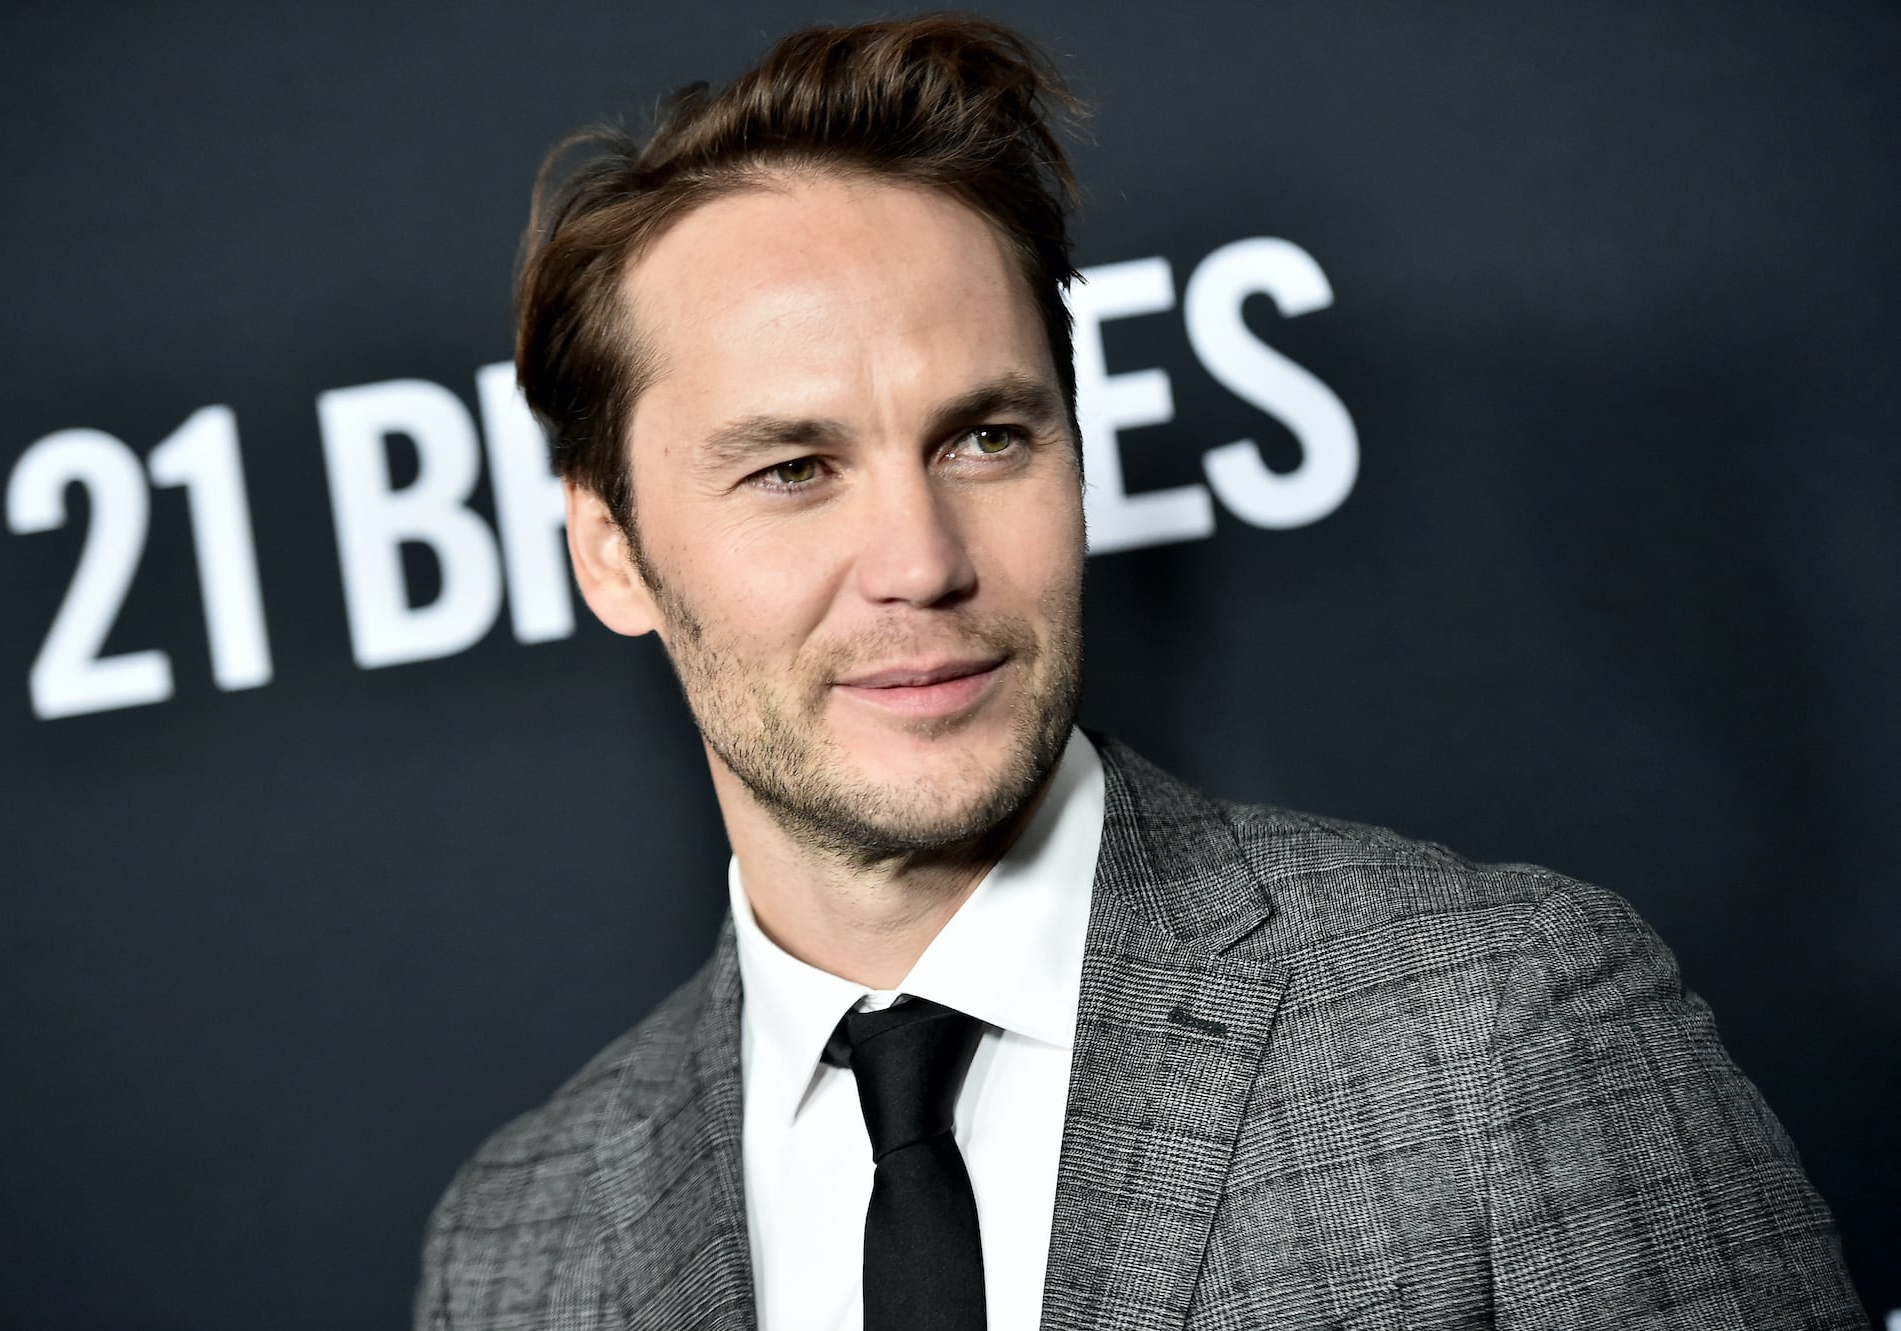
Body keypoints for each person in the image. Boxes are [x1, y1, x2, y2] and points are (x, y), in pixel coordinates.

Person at [415, 15, 1865, 1330]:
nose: (921, 561)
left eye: (988, 439)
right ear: (611, 554)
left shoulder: (1507, 1036)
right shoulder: (515, 1254)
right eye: (795, 469)